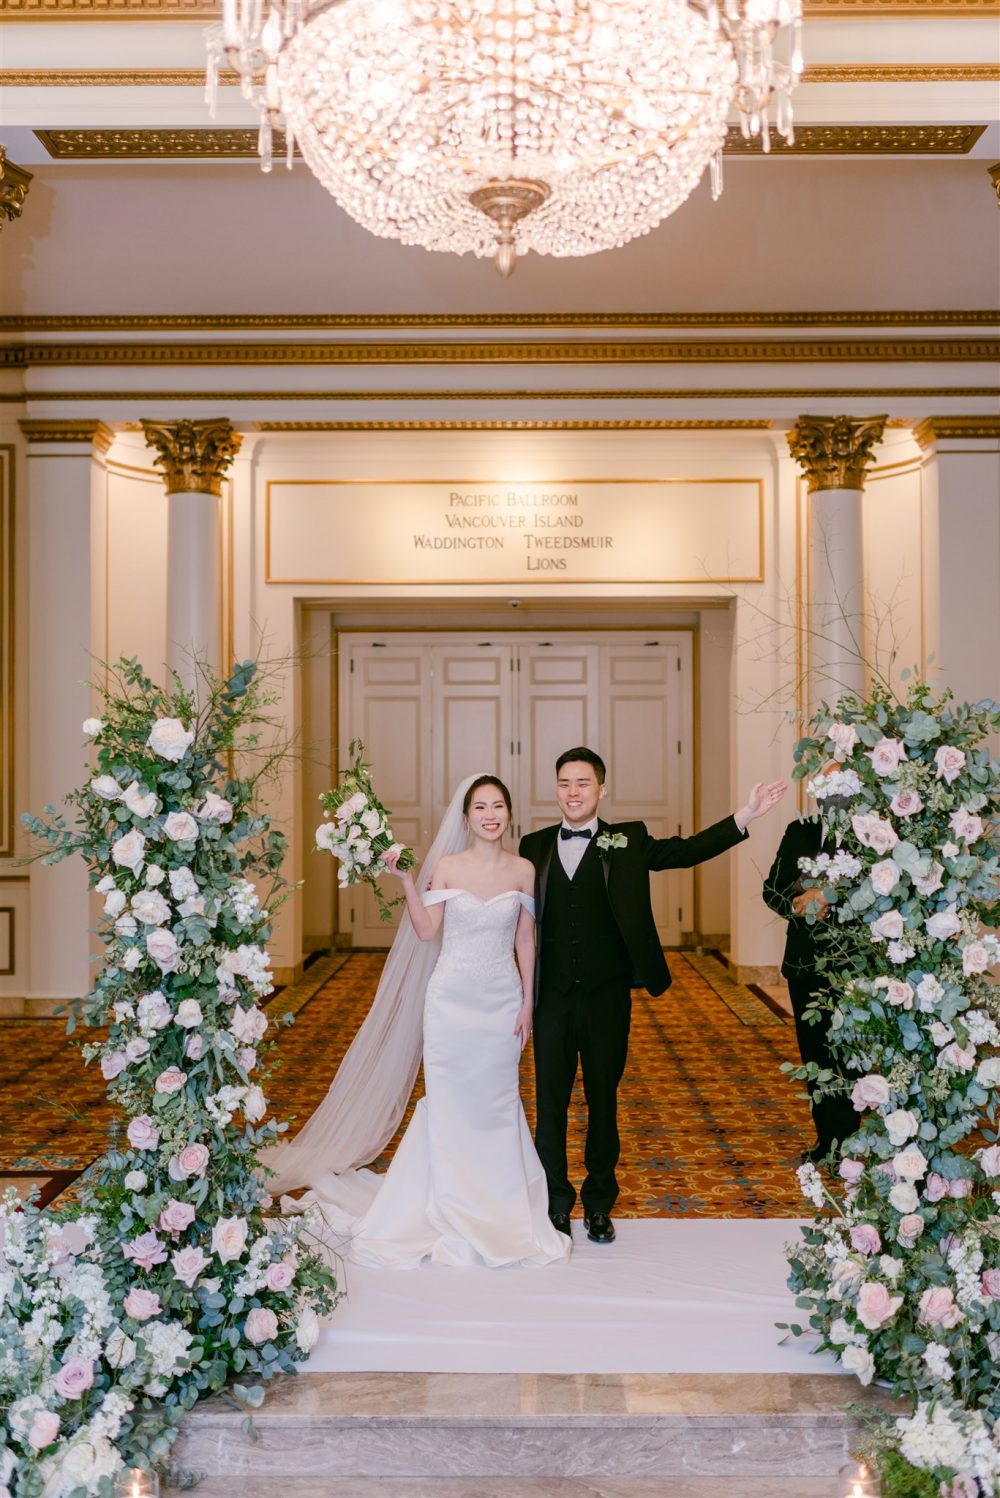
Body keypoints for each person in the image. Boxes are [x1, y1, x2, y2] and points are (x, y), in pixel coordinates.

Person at [268, 773, 570, 1270]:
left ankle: (500, 1207)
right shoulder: (447, 867)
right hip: (451, 1001)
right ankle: (448, 1205)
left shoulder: (522, 870)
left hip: (501, 1001)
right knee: (451, 1102)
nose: (490, 815)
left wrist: (526, 1004)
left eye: (498, 806)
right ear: (466, 816)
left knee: (496, 1101)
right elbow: (428, 931)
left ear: (508, 813)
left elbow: (525, 940)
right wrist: (408, 880)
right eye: (480, 808)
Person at [519, 747, 787, 1245]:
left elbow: (686, 852)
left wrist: (744, 816)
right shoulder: (531, 846)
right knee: (549, 1104)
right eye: (564, 783)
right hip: (550, 997)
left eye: (582, 783)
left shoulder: (630, 840)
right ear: (556, 789)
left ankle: (599, 1204)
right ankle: (555, 1202)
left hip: (607, 996)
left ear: (602, 790)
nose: (572, 792)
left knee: (603, 1101)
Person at [763, 813, 858, 1163]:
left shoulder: (871, 830)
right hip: (804, 963)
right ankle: (827, 1141)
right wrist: (797, 904)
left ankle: (849, 1141)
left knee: (848, 1054)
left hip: (853, 964)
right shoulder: (799, 830)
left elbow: (877, 888)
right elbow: (772, 888)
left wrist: (829, 897)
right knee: (814, 1053)